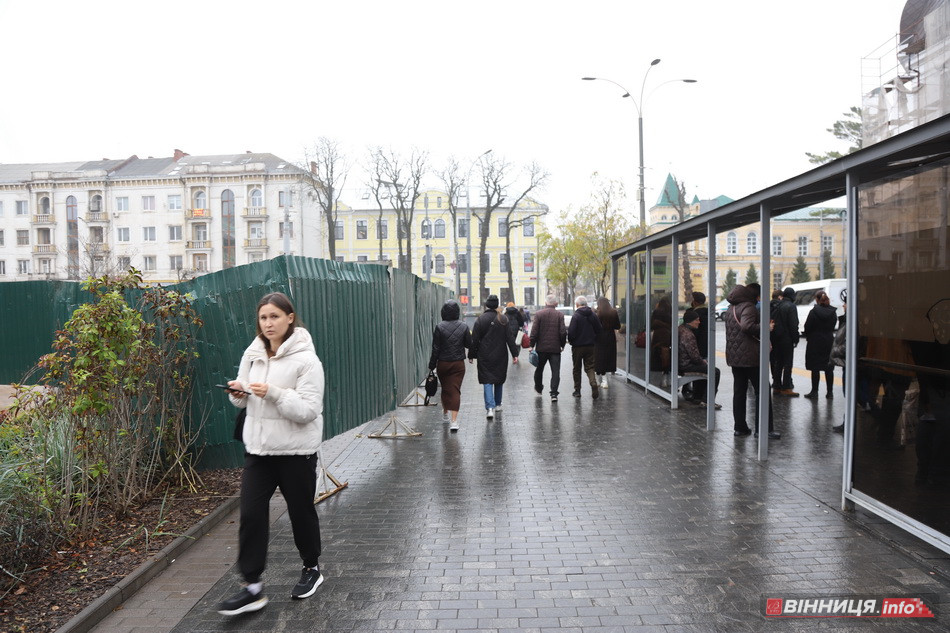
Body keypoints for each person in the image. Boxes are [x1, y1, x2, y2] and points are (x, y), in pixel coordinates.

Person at [219, 292, 325, 616]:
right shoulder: (252, 353)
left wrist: (276, 393)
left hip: (296, 451)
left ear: (290, 318)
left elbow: (308, 409)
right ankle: (252, 587)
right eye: (263, 317)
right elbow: (246, 400)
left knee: (300, 513)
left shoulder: (307, 360)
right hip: (259, 450)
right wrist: (238, 392)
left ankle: (311, 568)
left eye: (275, 317)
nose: (268, 323)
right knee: (251, 515)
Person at [725, 283, 781, 439]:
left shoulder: (732, 308)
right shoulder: (748, 307)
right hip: (751, 357)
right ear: (756, 296)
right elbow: (746, 326)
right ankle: (763, 429)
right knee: (763, 390)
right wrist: (765, 327)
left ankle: (740, 428)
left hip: (735, 358)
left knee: (739, 392)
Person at [469, 294, 519, 419]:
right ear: (497, 305)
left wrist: (471, 355)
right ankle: (498, 404)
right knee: (499, 379)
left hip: (484, 355)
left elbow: (474, 339)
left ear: (486, 305)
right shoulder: (503, 319)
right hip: (500, 354)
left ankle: (489, 408)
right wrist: (515, 354)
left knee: (487, 380)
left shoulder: (480, 319)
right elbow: (510, 338)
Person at [429, 299, 472, 432]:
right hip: (458, 364)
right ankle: (454, 421)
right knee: (455, 390)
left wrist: (431, 365)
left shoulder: (439, 326)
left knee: (446, 389)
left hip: (443, 363)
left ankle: (445, 413)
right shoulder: (464, 326)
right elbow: (468, 344)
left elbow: (435, 348)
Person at [678, 308, 721, 408]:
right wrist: (703, 361)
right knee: (715, 372)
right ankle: (707, 401)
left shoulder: (680, 329)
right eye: (697, 320)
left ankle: (698, 397)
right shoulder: (688, 335)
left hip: (680, 363)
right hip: (686, 365)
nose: (699, 322)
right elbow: (695, 357)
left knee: (705, 369)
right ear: (691, 321)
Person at [530, 294, 567, 402]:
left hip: (541, 348)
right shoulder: (559, 315)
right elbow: (563, 332)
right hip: (555, 349)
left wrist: (531, 345)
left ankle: (538, 388)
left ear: (546, 303)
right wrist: (562, 345)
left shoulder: (539, 314)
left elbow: (534, 331)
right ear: (555, 303)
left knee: (539, 369)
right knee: (555, 371)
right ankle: (554, 394)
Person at [803, 290, 837, 399]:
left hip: (815, 341)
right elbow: (833, 325)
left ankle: (814, 391)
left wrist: (810, 335)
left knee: (815, 367)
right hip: (828, 340)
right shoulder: (833, 312)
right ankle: (830, 392)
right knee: (829, 367)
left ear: (817, 300)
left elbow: (807, 327)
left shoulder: (813, 312)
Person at [568, 296, 603, 398]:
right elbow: (599, 329)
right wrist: (594, 339)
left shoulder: (576, 316)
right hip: (590, 346)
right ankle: (593, 383)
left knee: (577, 368)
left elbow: (571, 332)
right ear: (586, 304)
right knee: (590, 367)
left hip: (577, 347)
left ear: (577, 305)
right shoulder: (593, 315)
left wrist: (571, 341)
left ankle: (577, 391)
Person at [771, 287, 800, 396]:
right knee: (788, 363)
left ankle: (777, 386)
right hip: (786, 339)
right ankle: (786, 387)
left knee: (778, 363)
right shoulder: (791, 306)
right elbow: (793, 324)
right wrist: (795, 339)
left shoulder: (778, 304)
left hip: (776, 338)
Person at [594, 297, 621, 389]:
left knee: (599, 358)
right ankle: (604, 380)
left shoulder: (598, 313)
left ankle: (599, 380)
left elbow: (595, 326)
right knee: (608, 357)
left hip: (599, 338)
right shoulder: (613, 312)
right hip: (610, 337)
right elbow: (618, 326)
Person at [689, 291, 710, 397]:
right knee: (706, 371)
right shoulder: (707, 312)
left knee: (698, 371)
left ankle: (697, 395)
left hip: (698, 347)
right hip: (707, 347)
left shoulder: (696, 314)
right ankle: (703, 394)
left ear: (695, 302)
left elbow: (694, 333)